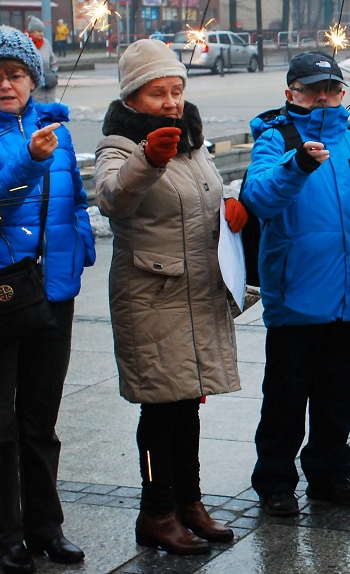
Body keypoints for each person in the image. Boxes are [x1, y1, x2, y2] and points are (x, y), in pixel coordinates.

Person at [95, 40, 242, 556]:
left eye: (176, 90)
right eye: (159, 92)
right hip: (151, 298)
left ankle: (190, 503)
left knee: (187, 406)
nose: (172, 101)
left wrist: (232, 208)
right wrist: (146, 159)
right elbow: (114, 199)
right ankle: (157, 510)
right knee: (159, 409)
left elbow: (200, 200)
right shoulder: (118, 145)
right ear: (134, 98)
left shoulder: (191, 141)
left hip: (195, 294)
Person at [241, 51, 350, 517]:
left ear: (342, 93)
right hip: (297, 292)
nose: (323, 96)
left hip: (348, 291)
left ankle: (329, 474)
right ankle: (275, 479)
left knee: (336, 396)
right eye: (312, 89)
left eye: (331, 88)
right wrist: (298, 165)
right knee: (285, 397)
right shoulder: (275, 138)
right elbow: (259, 198)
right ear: (291, 94)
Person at [0, 27, 92, 574]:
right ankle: (4, 536)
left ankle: (45, 527)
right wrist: (29, 158)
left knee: (40, 418)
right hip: (1, 291)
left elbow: (76, 197)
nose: (6, 85)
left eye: (16, 74)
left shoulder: (58, 130)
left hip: (54, 290)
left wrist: (78, 250)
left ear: (33, 78)